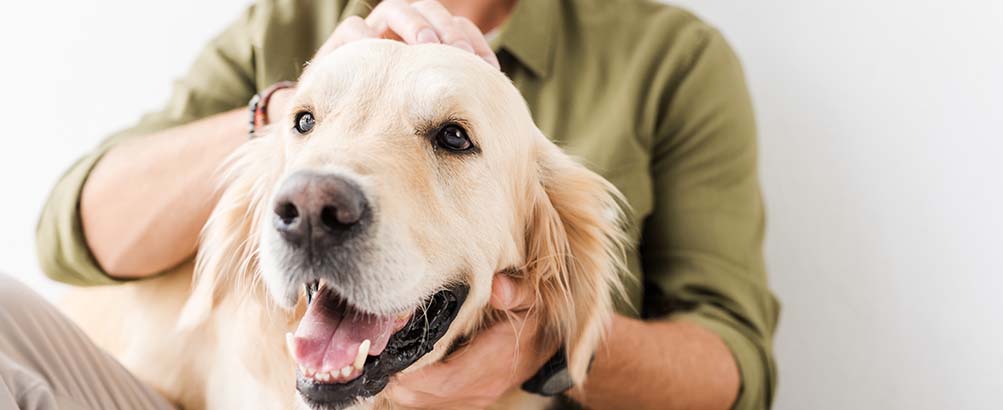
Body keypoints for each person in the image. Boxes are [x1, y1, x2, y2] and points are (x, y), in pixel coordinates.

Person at [11, 0, 779, 409]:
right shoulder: (286, 16)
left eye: (451, 137)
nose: (318, 201)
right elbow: (68, 233)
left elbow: (735, 368)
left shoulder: (672, 60)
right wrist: (284, 114)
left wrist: (550, 350)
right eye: (314, 124)